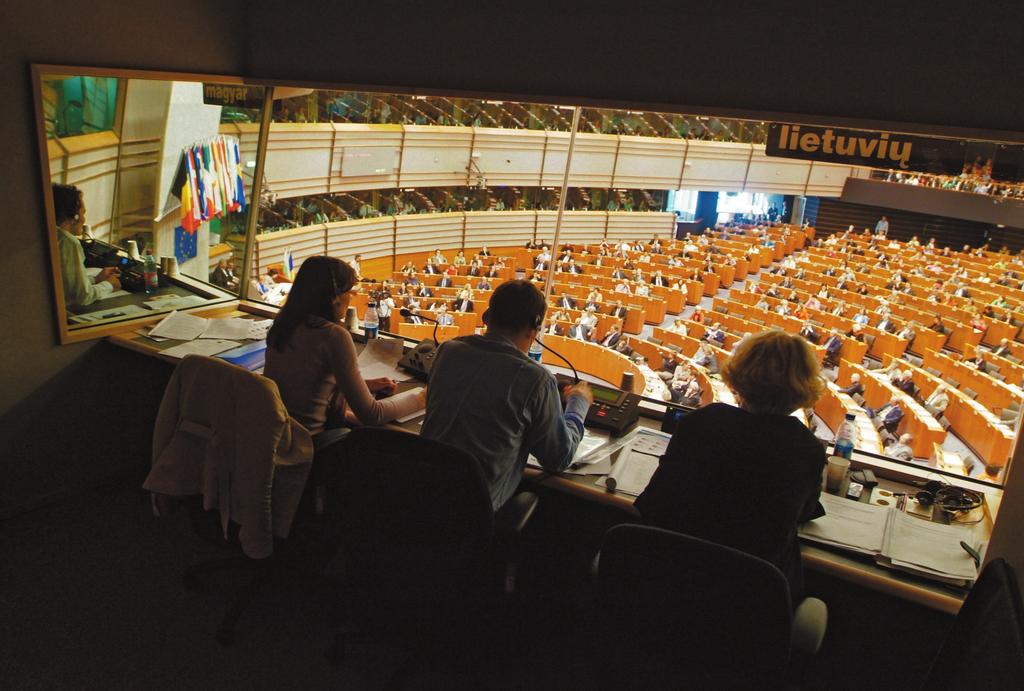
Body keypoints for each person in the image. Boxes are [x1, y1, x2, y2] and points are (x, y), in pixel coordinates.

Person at [636, 330, 826, 603]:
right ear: (803, 386)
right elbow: (804, 511)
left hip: (664, 584)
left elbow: (652, 503)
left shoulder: (701, 422)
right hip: (746, 603)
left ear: (740, 376)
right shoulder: (806, 449)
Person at [421, 280, 592, 510]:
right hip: (474, 513)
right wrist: (578, 403)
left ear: (487, 316)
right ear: (535, 326)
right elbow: (558, 458)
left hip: (423, 494)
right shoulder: (537, 380)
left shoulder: (448, 350)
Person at [264, 256, 424, 450]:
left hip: (279, 440)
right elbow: (373, 415)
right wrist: (423, 398)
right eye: (350, 292)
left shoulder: (283, 324)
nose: (351, 297)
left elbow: (305, 383)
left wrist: (366, 386)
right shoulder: (332, 335)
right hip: (310, 448)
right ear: (335, 297)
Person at [52, 183, 121, 309]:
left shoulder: (51, 235)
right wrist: (109, 284)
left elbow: (66, 287)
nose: (84, 219)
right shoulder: (68, 243)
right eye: (83, 213)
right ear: (74, 217)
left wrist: (96, 279)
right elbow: (83, 297)